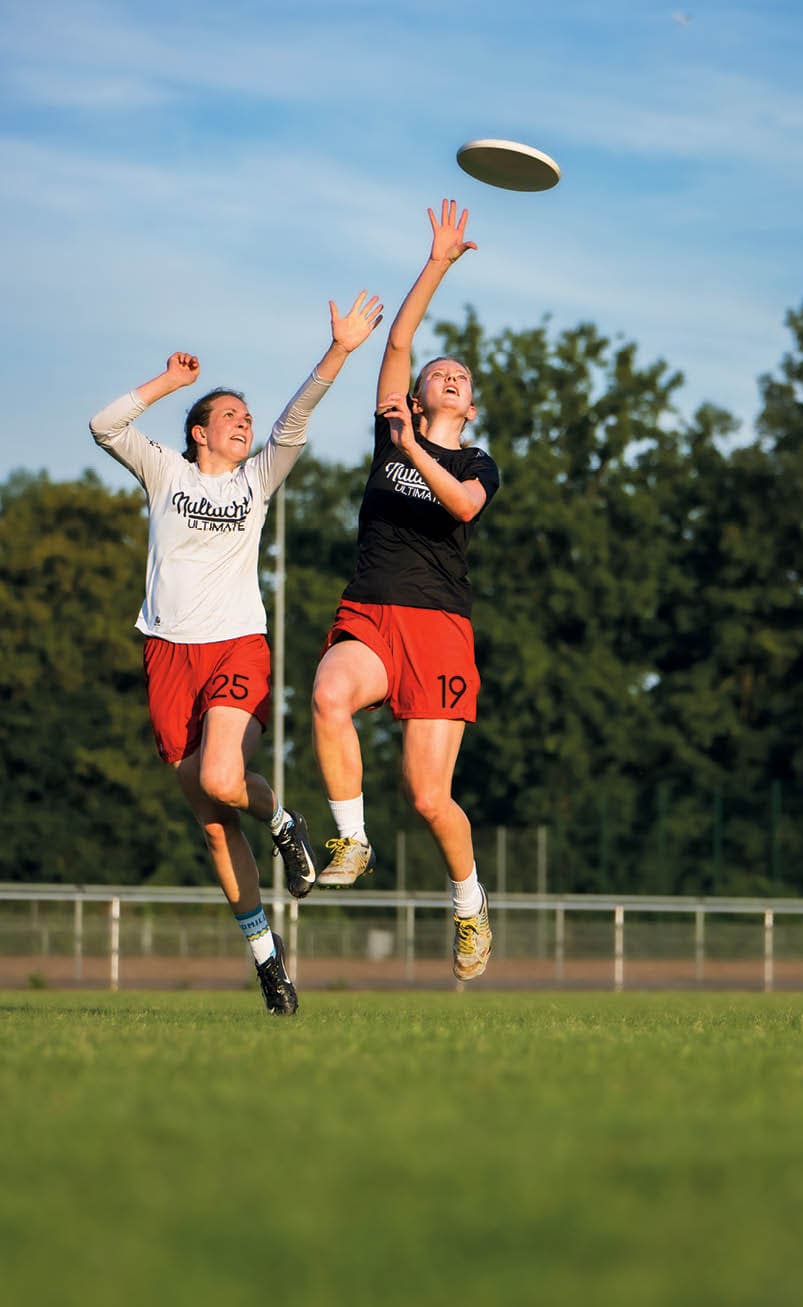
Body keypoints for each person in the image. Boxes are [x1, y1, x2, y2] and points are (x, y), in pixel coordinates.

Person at [89, 290, 383, 1014]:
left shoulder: (256, 478)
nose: (242, 422)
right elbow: (104, 425)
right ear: (196, 432)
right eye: (227, 415)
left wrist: (341, 348)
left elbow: (295, 418)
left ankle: (286, 824)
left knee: (225, 776)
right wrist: (169, 383)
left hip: (235, 647)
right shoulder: (166, 472)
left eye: (243, 418)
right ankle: (267, 963)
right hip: (166, 654)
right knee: (215, 823)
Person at [311, 200, 500, 982]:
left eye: (461, 377)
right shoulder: (395, 416)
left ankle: (468, 903)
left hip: (439, 628)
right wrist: (439, 262)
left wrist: (412, 450)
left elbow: (460, 506)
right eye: (438, 374)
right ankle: (350, 837)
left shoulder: (475, 462)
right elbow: (397, 339)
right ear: (417, 397)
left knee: (429, 797)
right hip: (372, 610)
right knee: (327, 695)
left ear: (469, 404)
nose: (450, 375)